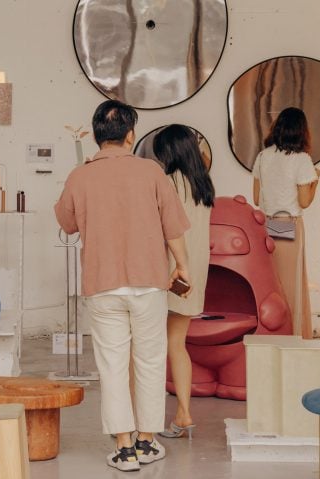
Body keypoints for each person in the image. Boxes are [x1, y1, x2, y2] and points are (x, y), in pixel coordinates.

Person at [54, 100, 191, 472]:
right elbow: (173, 227)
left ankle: (124, 446)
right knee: (149, 361)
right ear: (130, 134)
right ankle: (148, 441)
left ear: (98, 136)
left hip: (103, 284)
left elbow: (66, 223)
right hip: (148, 283)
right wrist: (183, 266)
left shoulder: (79, 176)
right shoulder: (152, 173)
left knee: (113, 365)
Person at [151, 125, 215, 440]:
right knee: (178, 344)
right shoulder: (203, 184)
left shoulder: (167, 183)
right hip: (194, 273)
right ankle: (184, 413)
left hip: (168, 271)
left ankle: (141, 420)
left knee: (149, 346)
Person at [252, 107, 320, 338]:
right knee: (292, 283)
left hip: (266, 223)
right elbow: (305, 200)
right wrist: (316, 181)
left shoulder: (263, 156)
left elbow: (255, 197)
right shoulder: (301, 159)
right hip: (287, 222)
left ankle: (272, 331)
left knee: (273, 280)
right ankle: (293, 334)